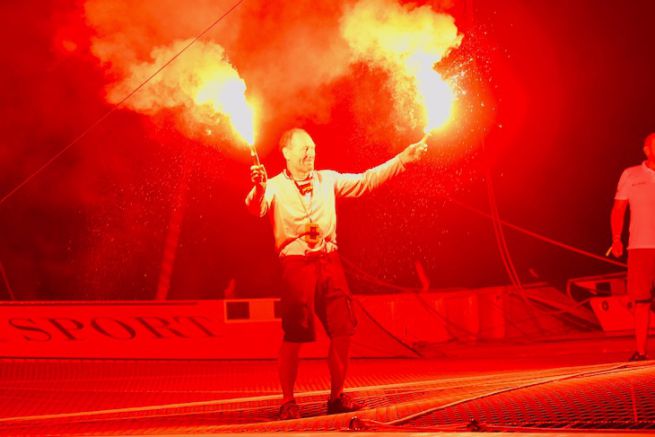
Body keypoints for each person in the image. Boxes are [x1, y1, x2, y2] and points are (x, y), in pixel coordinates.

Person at [245, 128, 427, 419]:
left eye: (313, 147)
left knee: (343, 331)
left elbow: (366, 180)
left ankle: (336, 396)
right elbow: (256, 209)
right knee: (295, 335)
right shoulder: (274, 186)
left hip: (329, 263)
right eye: (304, 148)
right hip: (296, 266)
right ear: (287, 153)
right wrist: (258, 187)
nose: (310, 153)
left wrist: (402, 160)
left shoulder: (327, 179)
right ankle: (288, 401)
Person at [611, 132, 655, 361]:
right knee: (641, 300)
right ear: (646, 149)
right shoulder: (631, 174)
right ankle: (640, 351)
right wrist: (616, 238)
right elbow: (619, 209)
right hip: (640, 247)